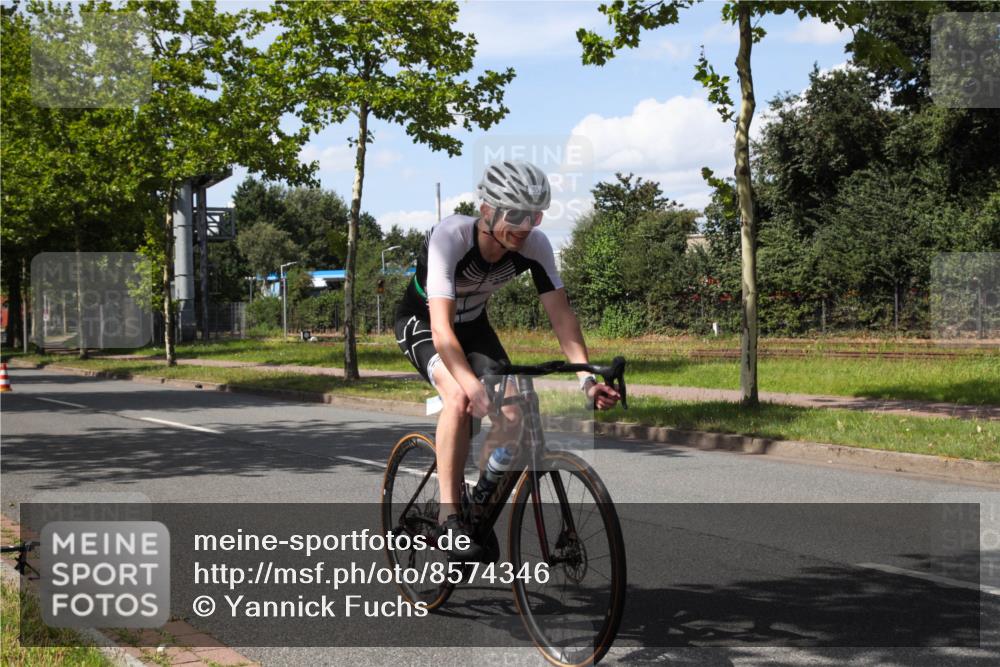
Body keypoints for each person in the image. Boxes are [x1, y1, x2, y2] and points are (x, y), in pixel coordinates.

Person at [394, 160, 620, 559]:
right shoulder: (451, 237)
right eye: (515, 214)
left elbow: (561, 315)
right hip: (426, 323)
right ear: (487, 210)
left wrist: (585, 377)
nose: (525, 224)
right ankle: (450, 517)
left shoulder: (534, 246)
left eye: (534, 214)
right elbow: (443, 330)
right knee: (458, 397)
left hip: (475, 326)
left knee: (514, 411)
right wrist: (468, 384)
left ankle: (480, 502)